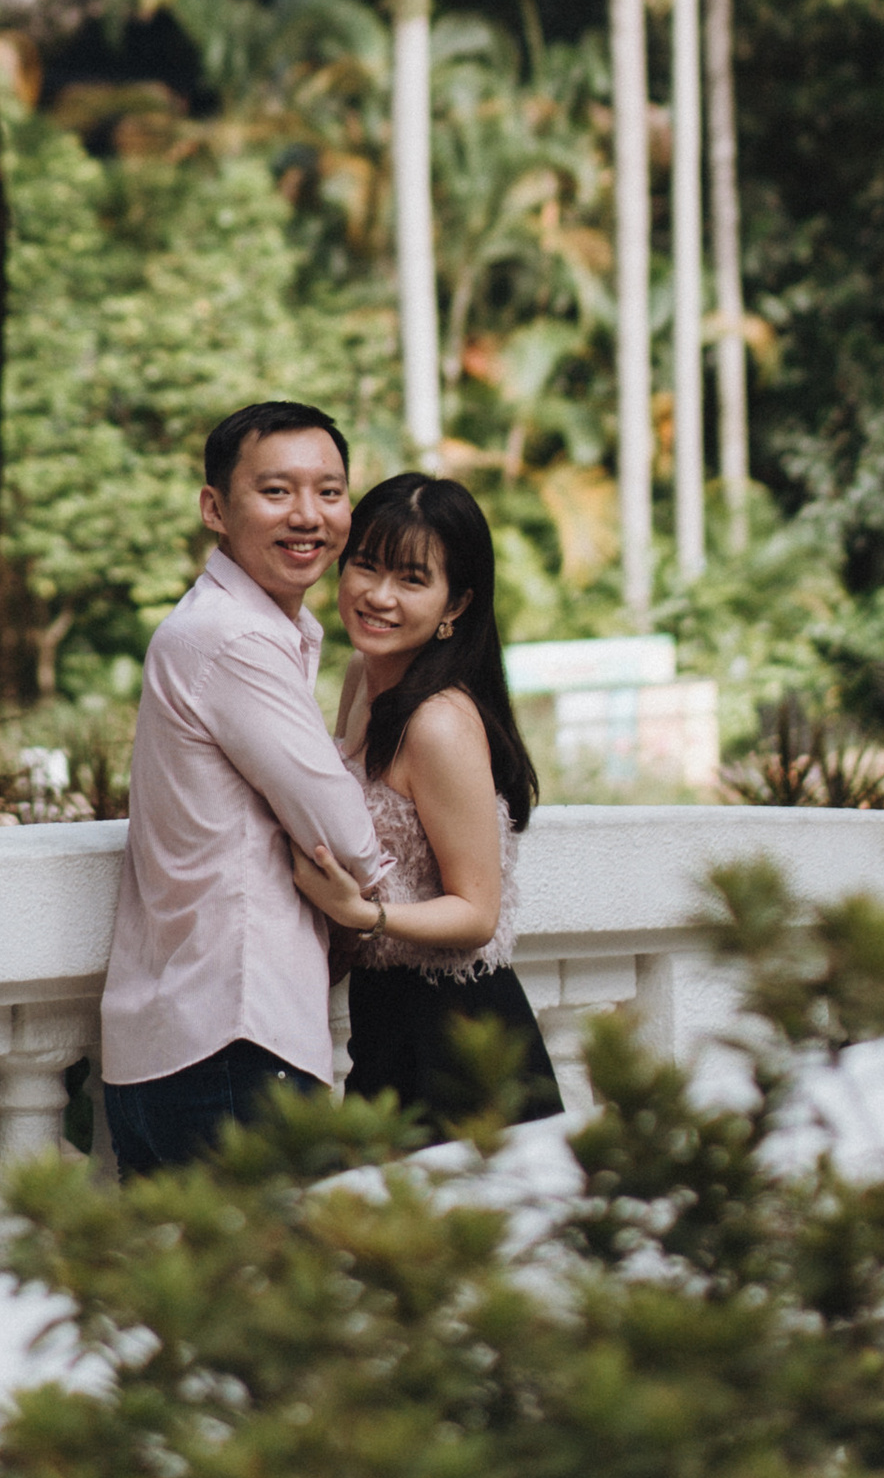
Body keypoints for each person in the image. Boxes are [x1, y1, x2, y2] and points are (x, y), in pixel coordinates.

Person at [98, 399, 390, 1178]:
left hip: (181, 1037)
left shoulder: (235, 630)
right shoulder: (233, 640)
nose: (309, 516)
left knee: (190, 1301)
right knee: (269, 1295)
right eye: (276, 491)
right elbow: (351, 842)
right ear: (214, 509)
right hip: (233, 1036)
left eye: (329, 492)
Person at [290, 471, 564, 1140]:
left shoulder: (438, 723)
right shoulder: (362, 677)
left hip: (461, 1035)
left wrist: (365, 914)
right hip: (383, 1019)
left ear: (456, 603)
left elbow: (477, 913)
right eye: (368, 566)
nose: (379, 596)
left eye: (412, 580)